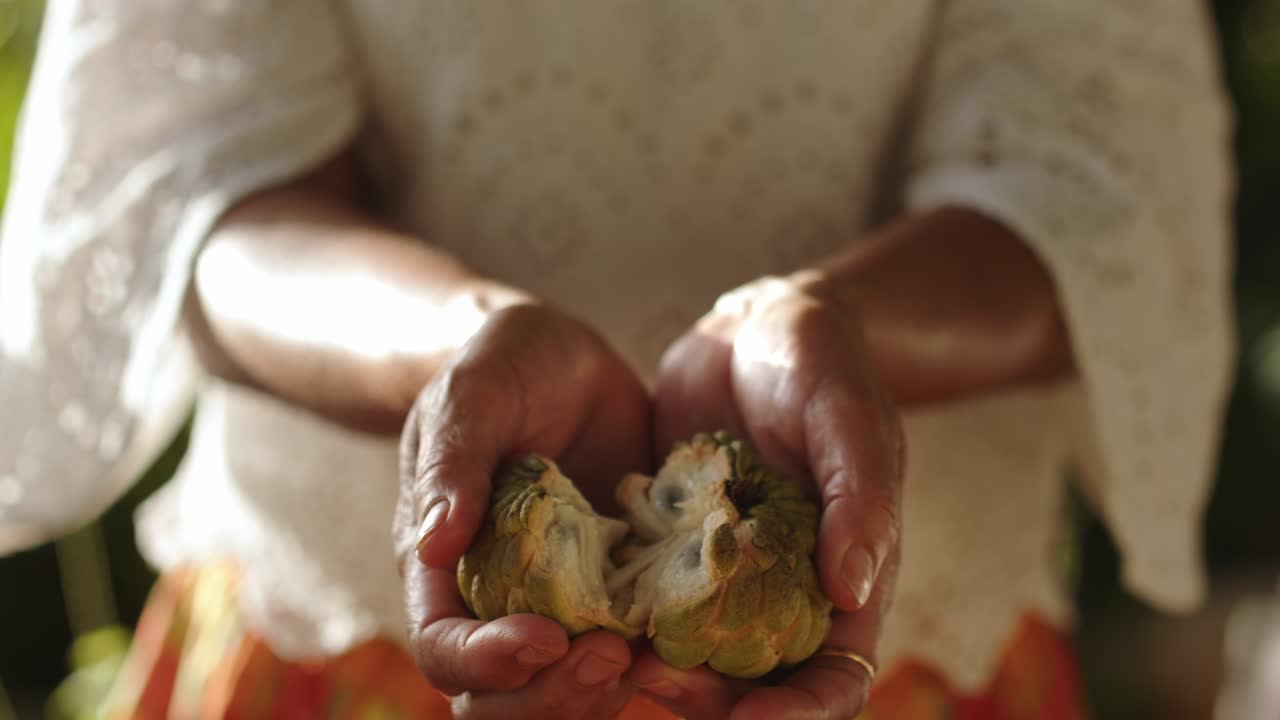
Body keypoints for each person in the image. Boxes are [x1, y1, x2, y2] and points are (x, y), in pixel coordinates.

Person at [0, 1, 1233, 718]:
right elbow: (199, 191)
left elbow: (1093, 189)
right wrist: (454, 348)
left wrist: (834, 322)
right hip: (341, 641)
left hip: (906, 649)